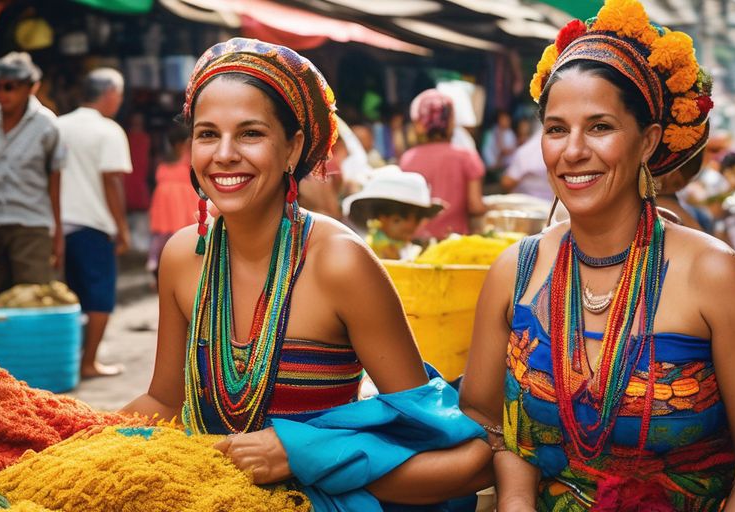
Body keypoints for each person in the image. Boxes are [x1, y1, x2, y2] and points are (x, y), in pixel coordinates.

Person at [120, 38, 491, 510]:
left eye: (250, 133)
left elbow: (449, 446)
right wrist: (69, 437)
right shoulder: (181, 256)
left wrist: (306, 454)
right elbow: (163, 402)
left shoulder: (340, 262)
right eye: (207, 134)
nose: (224, 154)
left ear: (294, 147)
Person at [458, 1, 735, 510]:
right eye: (556, 129)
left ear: (648, 141)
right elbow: (489, 422)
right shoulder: (516, 271)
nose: (572, 150)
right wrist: (516, 501)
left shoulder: (716, 276)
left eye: (599, 127)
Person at [0, 52, 65, 300]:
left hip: (33, 226)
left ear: (31, 87)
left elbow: (55, 183)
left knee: (32, 299)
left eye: (10, 87)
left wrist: (58, 236)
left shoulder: (47, 125)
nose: (2, 93)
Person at [57, 68, 132, 378]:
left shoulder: (58, 126)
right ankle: (88, 363)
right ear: (111, 94)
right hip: (94, 224)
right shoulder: (108, 130)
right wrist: (122, 228)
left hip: (59, 225)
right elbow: (111, 182)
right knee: (99, 297)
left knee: (70, 295)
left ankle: (74, 360)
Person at [400, 89, 487, 239]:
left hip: (418, 242)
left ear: (418, 123)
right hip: (454, 242)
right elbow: (475, 206)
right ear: (451, 122)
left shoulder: (408, 158)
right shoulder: (467, 157)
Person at [342, 167, 444, 260]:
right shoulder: (369, 250)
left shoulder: (413, 248)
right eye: (397, 220)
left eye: (417, 220)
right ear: (381, 219)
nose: (410, 226)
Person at [147, 122, 198, 283]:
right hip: (174, 204)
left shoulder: (164, 163)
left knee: (167, 235)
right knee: (166, 235)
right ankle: (156, 261)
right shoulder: (185, 160)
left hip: (176, 203)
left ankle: (155, 261)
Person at [501, 128, 555, 201]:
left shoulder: (526, 151)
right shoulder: (561, 152)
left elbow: (507, 182)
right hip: (551, 205)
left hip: (527, 204)